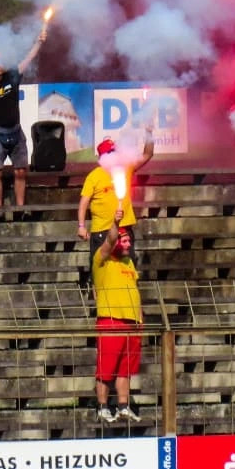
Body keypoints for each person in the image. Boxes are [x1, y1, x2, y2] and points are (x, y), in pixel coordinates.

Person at [0, 30, 47, 211]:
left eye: (2, 62)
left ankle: (20, 209)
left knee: (21, 171)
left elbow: (28, 58)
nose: (0, 66)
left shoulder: (11, 76)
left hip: (16, 132)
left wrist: (38, 42)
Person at [77, 133, 155, 269]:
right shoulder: (94, 176)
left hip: (123, 229)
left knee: (127, 268)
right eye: (111, 152)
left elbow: (147, 154)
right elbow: (84, 202)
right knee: (100, 269)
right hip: (102, 230)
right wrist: (81, 226)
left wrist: (149, 133)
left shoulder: (126, 167)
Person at [93, 214, 143, 424]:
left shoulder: (129, 262)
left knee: (126, 368)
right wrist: (115, 223)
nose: (128, 244)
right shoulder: (102, 259)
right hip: (111, 319)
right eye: (125, 241)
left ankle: (123, 406)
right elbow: (110, 240)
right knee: (106, 367)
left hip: (132, 322)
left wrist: (140, 319)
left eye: (129, 241)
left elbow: (135, 290)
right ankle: (103, 407)